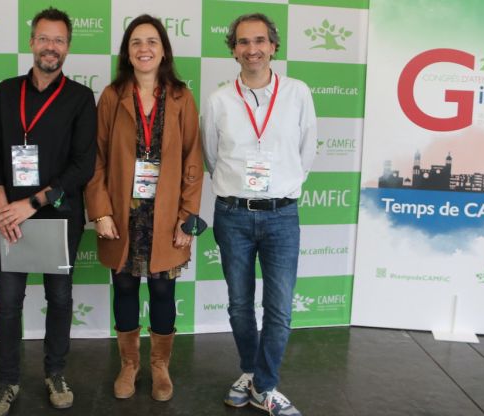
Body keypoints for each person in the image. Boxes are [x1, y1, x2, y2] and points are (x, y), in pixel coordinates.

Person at [0, 7, 97, 416]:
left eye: (59, 40)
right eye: (44, 38)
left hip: (56, 215)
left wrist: (32, 203)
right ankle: (7, 381)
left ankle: (55, 373)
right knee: (8, 301)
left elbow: (83, 165)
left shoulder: (81, 98)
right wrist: (0, 203)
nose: (51, 47)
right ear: (32, 42)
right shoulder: (6, 91)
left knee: (60, 298)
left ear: (67, 47)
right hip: (10, 217)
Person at [201, 13, 317, 416]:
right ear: (233, 49)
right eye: (243, 42)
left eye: (260, 41)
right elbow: (212, 158)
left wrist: (278, 187)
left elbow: (307, 152)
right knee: (238, 304)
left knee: (280, 307)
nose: (252, 49)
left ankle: (264, 385)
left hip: (282, 215)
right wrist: (243, 189)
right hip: (232, 214)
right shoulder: (218, 100)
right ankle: (251, 372)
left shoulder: (298, 93)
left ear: (273, 46)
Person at [84, 14, 203, 402]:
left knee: (164, 291)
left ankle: (160, 366)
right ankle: (130, 364)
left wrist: (187, 217)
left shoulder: (182, 96)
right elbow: (96, 158)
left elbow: (192, 161)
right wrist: (100, 211)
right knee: (124, 286)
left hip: (167, 215)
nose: (144, 49)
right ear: (127, 51)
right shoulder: (111, 96)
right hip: (123, 213)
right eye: (136, 42)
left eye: (152, 41)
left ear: (164, 49)